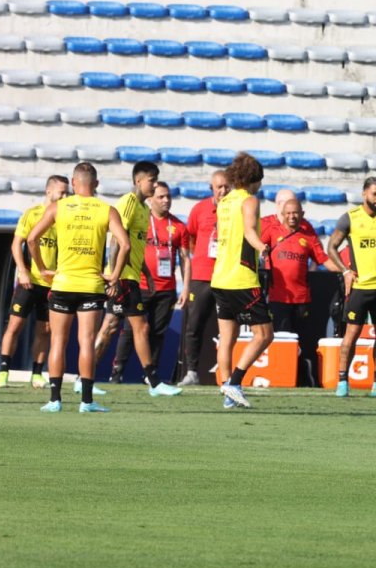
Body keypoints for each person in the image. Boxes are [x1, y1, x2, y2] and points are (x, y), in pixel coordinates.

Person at [27, 163, 130, 412]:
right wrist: (114, 275)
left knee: (58, 342)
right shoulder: (106, 210)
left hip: (63, 282)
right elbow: (125, 245)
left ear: (74, 183)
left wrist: (42, 269)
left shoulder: (58, 207)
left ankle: (54, 400)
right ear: (95, 184)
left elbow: (32, 238)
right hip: (91, 285)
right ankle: (86, 401)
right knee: (85, 342)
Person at [89, 161, 182, 398]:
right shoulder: (128, 203)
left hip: (131, 277)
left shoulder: (143, 208)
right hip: (123, 278)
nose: (154, 184)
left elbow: (136, 246)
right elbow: (116, 241)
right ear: (139, 181)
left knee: (111, 327)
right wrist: (114, 276)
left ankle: (84, 377)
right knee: (139, 327)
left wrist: (147, 274)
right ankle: (153, 381)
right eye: (152, 180)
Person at [327, 177, 376, 398]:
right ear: (364, 194)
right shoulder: (350, 219)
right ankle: (342, 381)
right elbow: (331, 247)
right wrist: (345, 270)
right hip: (360, 287)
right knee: (352, 334)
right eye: (375, 194)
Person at [110, 182, 190, 383]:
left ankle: (150, 374)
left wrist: (186, 286)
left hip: (166, 287)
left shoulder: (179, 226)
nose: (166, 201)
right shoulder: (142, 219)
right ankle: (117, 372)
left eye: (168, 196)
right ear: (152, 198)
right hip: (141, 284)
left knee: (158, 332)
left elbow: (185, 258)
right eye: (161, 197)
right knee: (129, 330)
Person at [212, 153, 274, 409]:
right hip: (241, 277)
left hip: (220, 276)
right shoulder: (249, 200)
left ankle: (228, 394)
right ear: (254, 179)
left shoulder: (224, 202)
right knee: (265, 334)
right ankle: (234, 383)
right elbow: (249, 231)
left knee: (227, 338)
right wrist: (263, 247)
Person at [0, 175, 68, 389]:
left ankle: (36, 373)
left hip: (52, 285)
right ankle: (3, 372)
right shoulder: (33, 214)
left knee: (44, 330)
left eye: (68, 193)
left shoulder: (65, 218)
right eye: (62, 192)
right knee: (15, 326)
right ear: (49, 192)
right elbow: (16, 244)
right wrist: (23, 271)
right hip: (29, 282)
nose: (65, 196)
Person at [262, 198, 340, 386]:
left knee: (303, 343)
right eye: (288, 213)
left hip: (301, 299)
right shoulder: (272, 232)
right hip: (278, 298)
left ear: (302, 214)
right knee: (281, 340)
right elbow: (255, 246)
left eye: (295, 213)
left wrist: (344, 270)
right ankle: (282, 378)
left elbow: (323, 259)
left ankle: (304, 379)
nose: (291, 216)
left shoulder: (309, 234)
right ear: (282, 214)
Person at [177, 170, 230, 385]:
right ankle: (192, 372)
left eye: (227, 186)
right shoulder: (199, 209)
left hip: (227, 276)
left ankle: (227, 376)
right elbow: (189, 237)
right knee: (194, 326)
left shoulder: (237, 211)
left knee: (227, 328)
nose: (223, 191)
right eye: (219, 187)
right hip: (201, 276)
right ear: (212, 188)